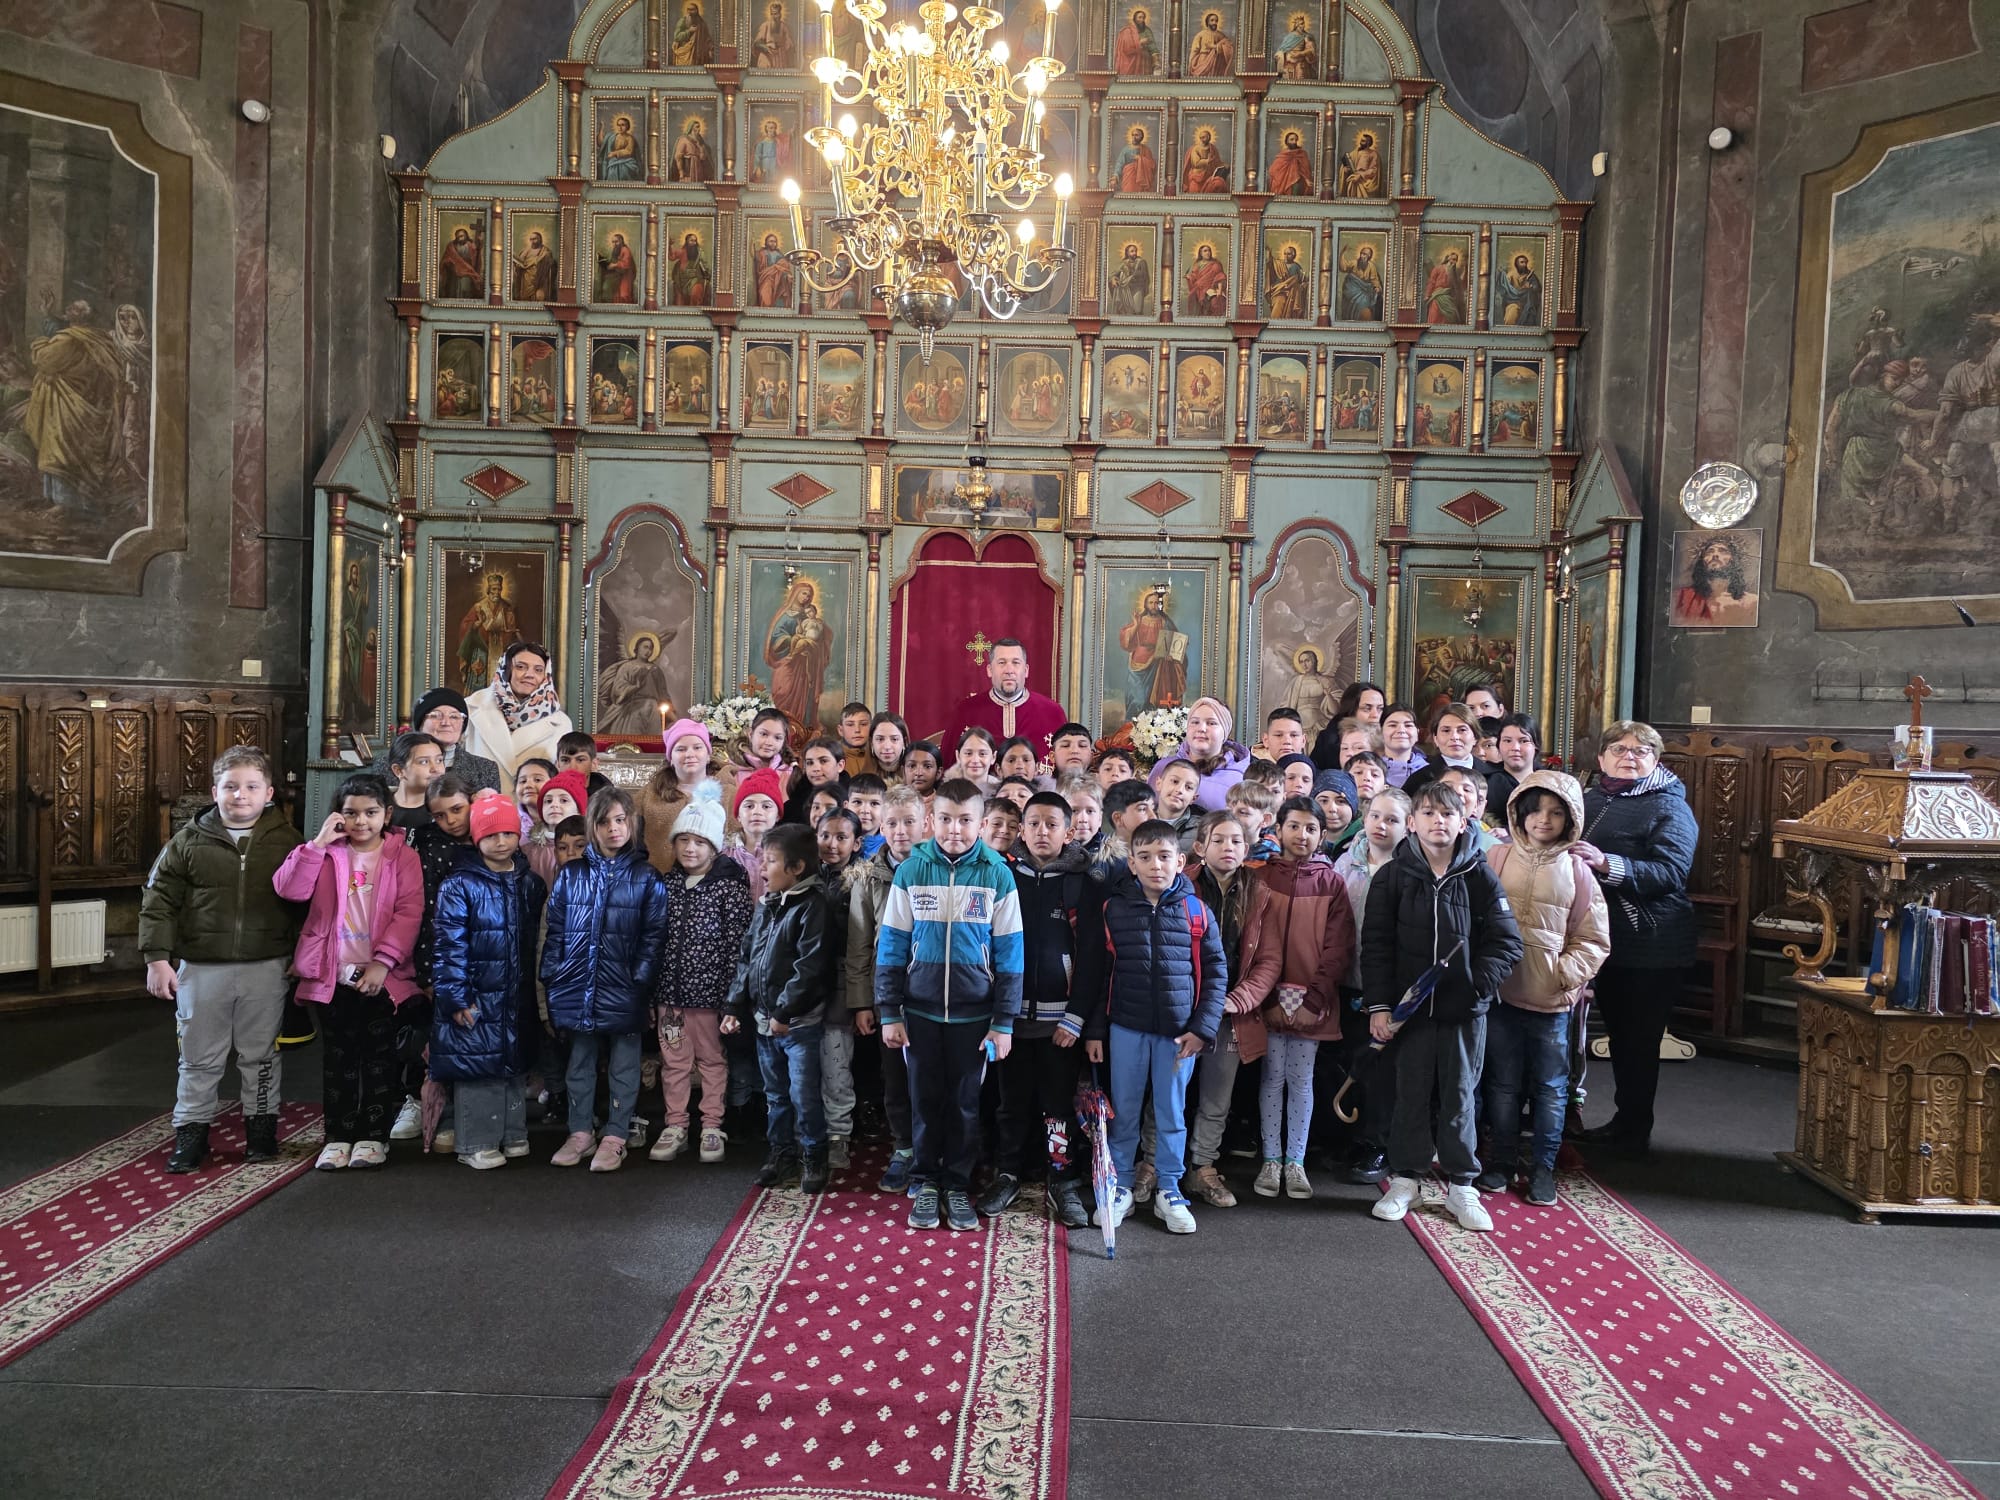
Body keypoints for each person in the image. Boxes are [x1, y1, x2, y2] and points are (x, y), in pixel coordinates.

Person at [1365, 782, 1523, 1233]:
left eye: (1447, 814)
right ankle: (1406, 1179)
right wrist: (1380, 1007)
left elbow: (1506, 943)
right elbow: (1375, 947)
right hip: (1409, 1013)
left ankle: (1461, 1184)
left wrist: (1475, 986)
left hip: (1463, 1012)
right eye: (1429, 813)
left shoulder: (1479, 875)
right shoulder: (1391, 877)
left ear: (1463, 822)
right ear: (1412, 823)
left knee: (1460, 1095)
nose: (1438, 822)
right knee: (1410, 1093)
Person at [140, 747, 304, 1173]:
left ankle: (261, 1132)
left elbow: (307, 905)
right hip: (202, 966)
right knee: (199, 1056)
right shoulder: (187, 841)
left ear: (269, 793)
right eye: (230, 787)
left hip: (267, 964)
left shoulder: (288, 842)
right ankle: (191, 1134)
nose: (240, 795)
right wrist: (157, 959)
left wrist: (301, 955)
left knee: (261, 1056)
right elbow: (158, 901)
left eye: (251, 787)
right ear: (214, 792)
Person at [875, 779, 1023, 1234]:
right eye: (944, 819)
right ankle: (925, 1179)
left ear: (981, 823)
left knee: (964, 1103)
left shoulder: (997, 874)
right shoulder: (911, 871)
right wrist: (890, 1011)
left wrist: (1003, 1022)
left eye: (964, 820)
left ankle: (957, 1183)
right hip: (919, 1014)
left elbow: (1010, 954)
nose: (954, 829)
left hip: (974, 1016)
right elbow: (892, 947)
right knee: (924, 1100)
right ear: (929, 821)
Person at [1069, 819, 1227, 1235]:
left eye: (1164, 856)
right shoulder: (1114, 909)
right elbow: (1102, 975)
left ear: (1180, 861)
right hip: (1126, 1029)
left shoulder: (1197, 911)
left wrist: (1202, 1028)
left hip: (1178, 1035)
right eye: (1145, 857)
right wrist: (1096, 1031)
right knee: (1122, 1111)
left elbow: (1215, 973)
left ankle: (1170, 1189)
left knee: (1171, 1113)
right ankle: (1120, 1184)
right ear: (1132, 864)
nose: (1155, 865)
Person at [274, 774, 424, 1172]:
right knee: (338, 1060)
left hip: (381, 977)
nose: (361, 821)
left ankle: (373, 1136)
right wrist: (317, 844)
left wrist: (383, 963)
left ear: (386, 814)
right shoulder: (324, 853)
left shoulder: (402, 857)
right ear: (337, 816)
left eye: (371, 813)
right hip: (331, 973)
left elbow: (409, 913)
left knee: (378, 1060)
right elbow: (289, 889)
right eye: (351, 813)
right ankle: (337, 1136)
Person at [1481, 773, 1610, 1206]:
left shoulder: (1577, 870)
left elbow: (1594, 939)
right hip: (1501, 993)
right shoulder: (1497, 857)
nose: (1543, 819)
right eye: (1535, 810)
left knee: (1551, 1090)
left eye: (1555, 812)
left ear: (1570, 819)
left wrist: (1563, 974)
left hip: (1551, 1002)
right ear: (1519, 812)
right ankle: (1501, 1162)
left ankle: (1542, 1168)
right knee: (1502, 1085)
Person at [1573, 723, 1698, 1157]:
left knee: (1637, 1042)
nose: (1629, 756)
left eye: (1641, 750)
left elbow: (1671, 872)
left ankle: (1633, 1132)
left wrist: (1606, 863)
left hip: (1651, 942)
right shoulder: (1590, 799)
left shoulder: (1669, 806)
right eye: (1619, 749)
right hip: (1604, 939)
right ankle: (1622, 1122)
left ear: (1655, 760)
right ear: (1602, 758)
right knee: (1619, 1037)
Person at [986, 792, 1103, 1226]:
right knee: (1010, 1104)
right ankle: (1008, 1173)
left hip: (1060, 1024)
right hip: (1010, 1021)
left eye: (1052, 824)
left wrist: (1076, 1019)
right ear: (1022, 829)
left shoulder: (1081, 883)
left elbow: (1092, 957)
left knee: (1057, 1107)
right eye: (1033, 823)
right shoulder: (1003, 877)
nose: (1041, 832)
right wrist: (998, 1016)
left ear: (1068, 832)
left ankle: (1062, 1178)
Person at [542, 787, 668, 1173]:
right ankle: (580, 1132)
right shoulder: (572, 874)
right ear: (592, 827)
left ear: (632, 824)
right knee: (579, 1061)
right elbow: (556, 930)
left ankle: (615, 1135)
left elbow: (654, 937)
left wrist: (640, 981)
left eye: (620, 820)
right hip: (577, 983)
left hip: (625, 986)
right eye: (604, 821)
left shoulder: (647, 877)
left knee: (624, 1064)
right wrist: (552, 975)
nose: (614, 828)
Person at [428, 793, 548, 1169]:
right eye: (491, 835)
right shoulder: (459, 885)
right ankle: (475, 1143)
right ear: (476, 838)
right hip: (475, 995)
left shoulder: (530, 883)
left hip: (515, 994)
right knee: (477, 1068)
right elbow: (448, 947)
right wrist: (455, 997)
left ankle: (512, 1133)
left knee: (512, 1064)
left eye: (508, 833)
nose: (501, 842)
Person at [1247, 797, 1355, 1200]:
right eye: (1294, 826)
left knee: (1301, 1079)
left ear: (1322, 835)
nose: (1302, 835)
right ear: (1278, 830)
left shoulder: (1332, 884)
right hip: (1267, 996)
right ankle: (1270, 1159)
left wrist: (1314, 1000)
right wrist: (1266, 997)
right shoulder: (1260, 878)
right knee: (1271, 1077)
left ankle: (1296, 1161)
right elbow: (1251, 942)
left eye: (1311, 828)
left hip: (1313, 1000)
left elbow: (1338, 948)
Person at [723, 823, 833, 1191]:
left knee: (803, 1094)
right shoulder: (767, 904)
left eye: (770, 861)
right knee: (775, 1094)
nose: (763, 868)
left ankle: (813, 1155)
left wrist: (784, 1012)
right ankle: (781, 1153)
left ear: (797, 867)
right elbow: (748, 958)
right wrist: (733, 1006)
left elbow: (810, 967)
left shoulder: (813, 906)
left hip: (797, 1024)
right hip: (764, 1021)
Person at [651, 781, 754, 1166]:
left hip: (711, 998)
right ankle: (675, 1124)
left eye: (699, 841)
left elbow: (738, 945)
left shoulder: (730, 886)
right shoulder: (667, 884)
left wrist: (732, 1000)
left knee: (712, 1060)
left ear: (713, 847)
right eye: (683, 840)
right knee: (675, 1062)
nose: (690, 848)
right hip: (671, 997)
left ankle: (712, 1124)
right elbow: (656, 939)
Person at [1182, 811, 1277, 1209]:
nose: (1228, 848)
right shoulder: (1181, 885)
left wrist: (1235, 1000)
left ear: (1247, 848)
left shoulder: (1260, 893)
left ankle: (1202, 1166)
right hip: (1183, 1010)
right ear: (1200, 847)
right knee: (1169, 1093)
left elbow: (1268, 961)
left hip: (1230, 1012)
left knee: (1217, 1098)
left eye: (1236, 841)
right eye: (1218, 840)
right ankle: (1154, 1163)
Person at [846, 786, 924, 1192]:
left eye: (909, 822)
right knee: (894, 1078)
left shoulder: (935, 869)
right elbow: (859, 944)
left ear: (925, 824)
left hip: (931, 993)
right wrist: (864, 1003)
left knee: (930, 1079)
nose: (900, 831)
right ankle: (904, 1147)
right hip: (888, 995)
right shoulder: (867, 876)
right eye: (892, 823)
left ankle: (931, 1149)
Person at [1334, 786, 1408, 1183]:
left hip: (1389, 986)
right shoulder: (1346, 861)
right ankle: (1350, 1138)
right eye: (1376, 816)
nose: (1381, 825)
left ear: (1408, 825)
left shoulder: (1410, 867)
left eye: (1392, 819)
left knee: (1383, 1069)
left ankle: (1378, 1143)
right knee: (1352, 1060)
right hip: (1348, 977)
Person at [939, 638, 1069, 765]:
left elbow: (1066, 768)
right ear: (990, 670)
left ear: (1026, 671)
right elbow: (947, 768)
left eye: (1016, 663)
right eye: (1002, 663)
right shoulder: (965, 711)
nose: (1009, 670)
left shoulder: (1052, 712)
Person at [464, 641, 575, 788]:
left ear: (546, 676)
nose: (529, 675)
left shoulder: (561, 722)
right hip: (479, 800)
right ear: (506, 669)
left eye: (538, 670)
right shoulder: (471, 707)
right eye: (521, 667)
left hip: (533, 801)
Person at [376, 688, 501, 795]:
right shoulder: (387, 765)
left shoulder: (485, 769)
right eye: (435, 715)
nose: (446, 723)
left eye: (454, 716)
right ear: (420, 723)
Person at [638, 718, 718, 872]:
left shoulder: (728, 793)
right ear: (671, 759)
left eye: (697, 747)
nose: (690, 754)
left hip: (715, 882)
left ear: (708, 755)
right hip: (659, 878)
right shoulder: (649, 794)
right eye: (681, 749)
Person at [1163, 697, 1251, 808]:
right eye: (1195, 722)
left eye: (1211, 723)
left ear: (1225, 733)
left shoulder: (1240, 781)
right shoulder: (1163, 767)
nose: (1201, 728)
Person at [1405, 702, 1483, 799]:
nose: (1454, 737)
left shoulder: (1495, 777)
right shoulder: (1419, 781)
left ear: (1475, 737)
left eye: (1462, 730)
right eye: (1446, 730)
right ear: (1435, 739)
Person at [1092, 777, 1156, 884]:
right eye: (1142, 809)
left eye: (1153, 809)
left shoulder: (1160, 857)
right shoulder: (1102, 864)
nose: (1153, 816)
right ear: (1118, 818)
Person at [386, 732, 445, 829]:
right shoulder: (378, 806)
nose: (435, 769)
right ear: (398, 770)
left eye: (439, 760)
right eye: (424, 762)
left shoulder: (446, 807)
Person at [784, 736, 848, 824]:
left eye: (823, 761)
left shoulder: (854, 799)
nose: (815, 768)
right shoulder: (791, 808)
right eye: (810, 763)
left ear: (840, 765)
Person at [1485, 713, 1540, 809]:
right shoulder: (1486, 783)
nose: (1515, 748)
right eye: (1507, 741)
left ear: (1536, 746)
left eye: (1524, 741)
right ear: (1498, 746)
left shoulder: (1549, 784)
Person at [1149, 758, 1204, 854]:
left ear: (1193, 798)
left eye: (1188, 787)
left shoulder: (1199, 830)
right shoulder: (1141, 818)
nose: (1180, 790)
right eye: (1174, 781)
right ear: (1159, 784)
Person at [1378, 704, 1428, 789]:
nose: (1401, 730)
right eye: (1393, 725)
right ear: (1380, 733)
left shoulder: (1430, 772)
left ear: (1417, 733)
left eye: (1408, 725)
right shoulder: (1370, 770)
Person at [837, 701, 874, 778]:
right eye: (850, 725)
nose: (857, 730)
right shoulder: (831, 758)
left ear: (871, 728)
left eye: (863, 724)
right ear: (840, 730)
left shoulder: (879, 756)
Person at [868, 712, 909, 781]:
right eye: (880, 739)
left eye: (894, 739)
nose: (887, 747)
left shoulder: (916, 775)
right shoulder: (861, 774)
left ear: (904, 742)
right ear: (871, 742)